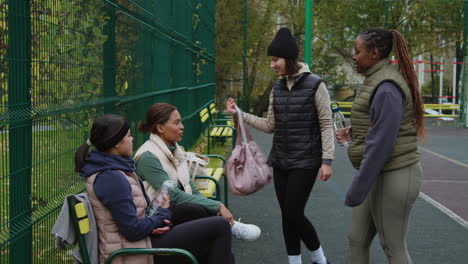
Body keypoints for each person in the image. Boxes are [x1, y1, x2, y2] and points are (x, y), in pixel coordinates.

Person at [226, 27, 334, 264]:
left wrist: (327, 161)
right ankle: (294, 261)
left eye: (275, 60)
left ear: (289, 58)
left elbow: (327, 125)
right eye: (271, 60)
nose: (272, 65)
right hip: (281, 159)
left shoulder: (316, 84)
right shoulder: (277, 87)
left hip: (306, 160)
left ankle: (319, 259)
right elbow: (270, 125)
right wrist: (241, 114)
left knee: (294, 212)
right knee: (287, 214)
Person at [75, 114, 234, 264]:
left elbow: (135, 217)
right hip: (132, 253)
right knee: (220, 227)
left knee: (200, 223)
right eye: (129, 135)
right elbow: (132, 230)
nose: (132, 140)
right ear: (116, 142)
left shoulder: (115, 170)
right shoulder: (111, 178)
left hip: (140, 243)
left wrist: (162, 221)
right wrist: (162, 215)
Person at [337, 28, 424, 264]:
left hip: (395, 173)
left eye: (357, 51)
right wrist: (355, 132)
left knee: (392, 246)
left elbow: (381, 145)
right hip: (377, 173)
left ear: (374, 53)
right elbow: (379, 123)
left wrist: (357, 187)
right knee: (356, 239)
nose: (353, 56)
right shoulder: (375, 79)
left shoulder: (386, 86)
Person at [134, 102, 261, 242]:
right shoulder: (148, 157)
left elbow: (189, 185)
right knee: (195, 210)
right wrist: (217, 205)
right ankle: (228, 226)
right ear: (160, 128)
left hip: (175, 208)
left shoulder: (175, 150)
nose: (182, 127)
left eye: (180, 122)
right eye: (176, 123)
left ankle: (225, 226)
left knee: (200, 211)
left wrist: (210, 206)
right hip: (157, 216)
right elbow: (173, 195)